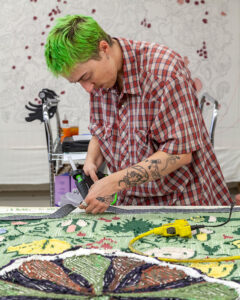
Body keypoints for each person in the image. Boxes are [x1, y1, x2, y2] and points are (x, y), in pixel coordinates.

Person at [45, 14, 233, 214]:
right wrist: (92, 159)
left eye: (86, 77)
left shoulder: (165, 73)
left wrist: (113, 182)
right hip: (131, 202)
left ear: (104, 48)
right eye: (78, 82)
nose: (88, 89)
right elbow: (101, 129)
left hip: (183, 202)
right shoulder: (100, 81)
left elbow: (179, 154)